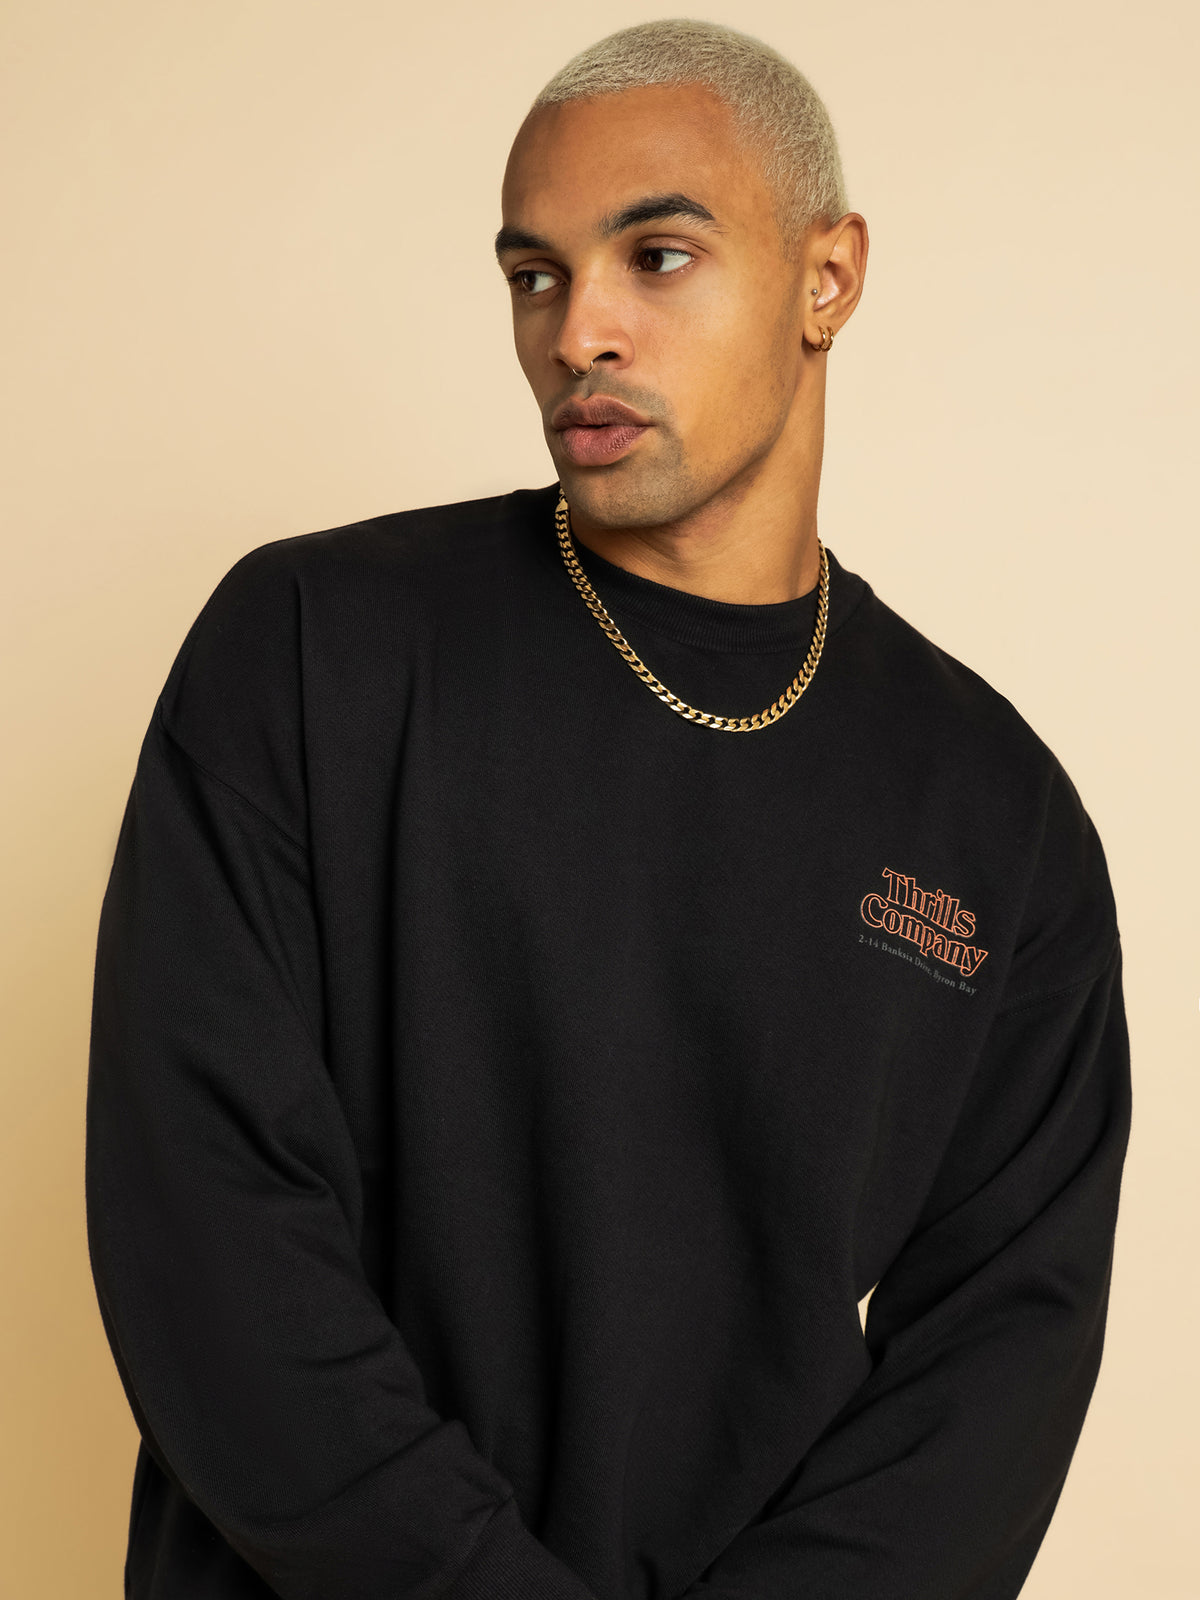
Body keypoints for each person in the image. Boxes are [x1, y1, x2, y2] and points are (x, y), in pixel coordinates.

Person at [85, 18, 1131, 1600]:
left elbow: (994, 1374)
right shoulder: (310, 648)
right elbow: (208, 1228)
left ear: (829, 277)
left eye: (658, 256)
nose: (579, 330)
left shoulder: (999, 815)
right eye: (535, 273)